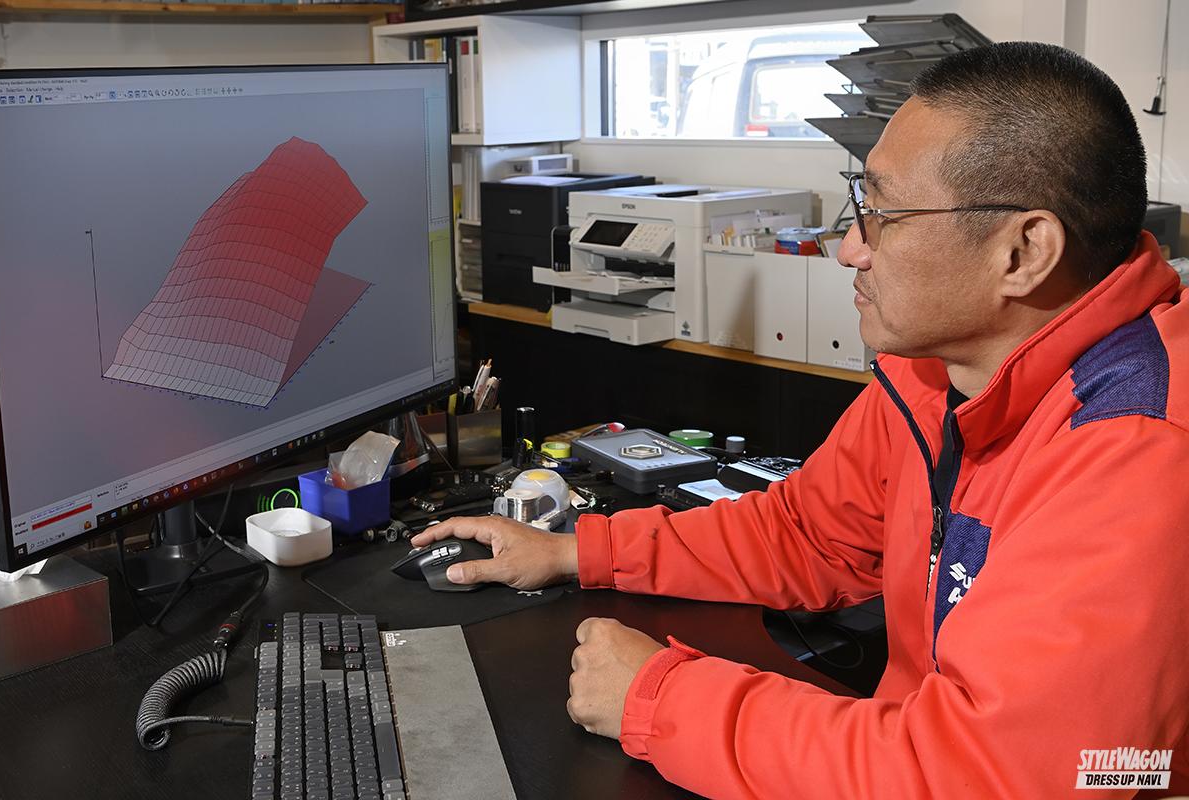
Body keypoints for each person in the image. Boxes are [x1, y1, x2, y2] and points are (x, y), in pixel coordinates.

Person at [412, 42, 1189, 798]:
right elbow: (810, 534)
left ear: (1023, 252)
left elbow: (1000, 778)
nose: (849, 248)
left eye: (882, 214)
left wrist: (656, 699)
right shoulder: (940, 370)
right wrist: (577, 552)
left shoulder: (1141, 452)